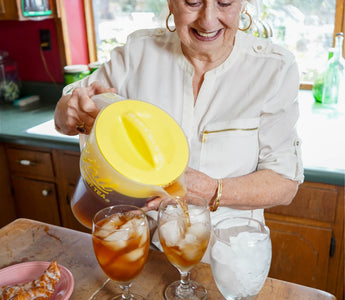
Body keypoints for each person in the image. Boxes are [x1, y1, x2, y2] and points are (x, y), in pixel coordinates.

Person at [54, 0, 304, 230]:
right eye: (192, 2)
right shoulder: (136, 54)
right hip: (140, 243)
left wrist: (214, 191)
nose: (208, 20)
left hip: (226, 253)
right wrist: (69, 112)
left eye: (225, 2)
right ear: (171, 3)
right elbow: (66, 115)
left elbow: (284, 184)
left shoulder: (275, 69)